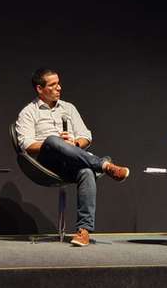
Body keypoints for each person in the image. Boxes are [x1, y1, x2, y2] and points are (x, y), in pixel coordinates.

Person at [15, 68, 130, 247]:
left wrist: (74, 144)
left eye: (59, 83)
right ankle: (104, 165)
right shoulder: (28, 112)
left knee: (85, 171)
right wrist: (55, 142)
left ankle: (83, 231)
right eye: (53, 85)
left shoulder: (69, 108)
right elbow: (27, 146)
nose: (59, 88)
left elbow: (86, 136)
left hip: (73, 160)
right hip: (48, 163)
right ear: (39, 89)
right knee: (53, 140)